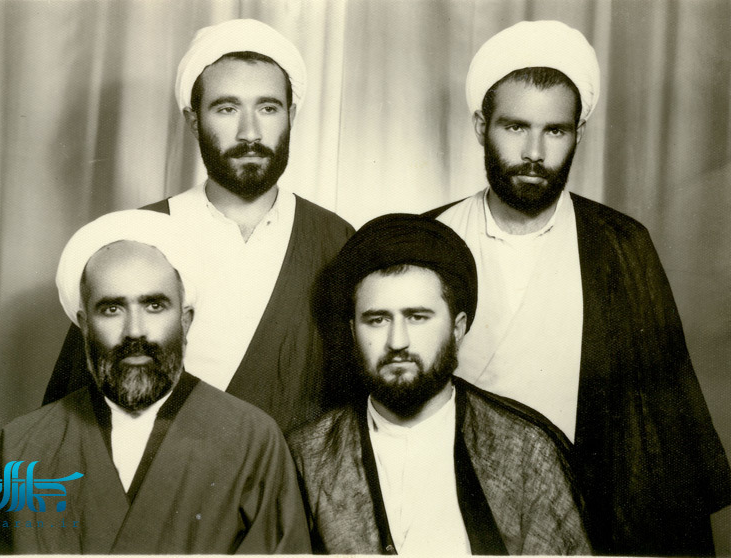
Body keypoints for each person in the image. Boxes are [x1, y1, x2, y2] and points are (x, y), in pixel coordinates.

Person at [426, 20, 731, 556]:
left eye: (555, 131)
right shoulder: (430, 237)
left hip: (585, 516)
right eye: (515, 127)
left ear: (579, 134)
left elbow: (662, 425)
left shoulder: (621, 244)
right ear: (480, 126)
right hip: (453, 510)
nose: (534, 151)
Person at [0, 210, 311, 555]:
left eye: (154, 306)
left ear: (185, 321)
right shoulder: (20, 447)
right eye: (112, 309)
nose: (135, 331)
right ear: (84, 325)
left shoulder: (252, 441)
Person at [44, 19, 354, 432]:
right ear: (194, 121)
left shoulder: (337, 240)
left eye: (268, 108)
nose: (250, 132)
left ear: (291, 115)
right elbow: (69, 417)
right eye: (227, 109)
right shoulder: (133, 239)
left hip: (294, 473)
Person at [288, 213, 592, 555]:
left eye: (417, 317)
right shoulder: (306, 456)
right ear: (352, 331)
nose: (397, 341)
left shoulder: (526, 450)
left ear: (457, 328)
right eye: (377, 320)